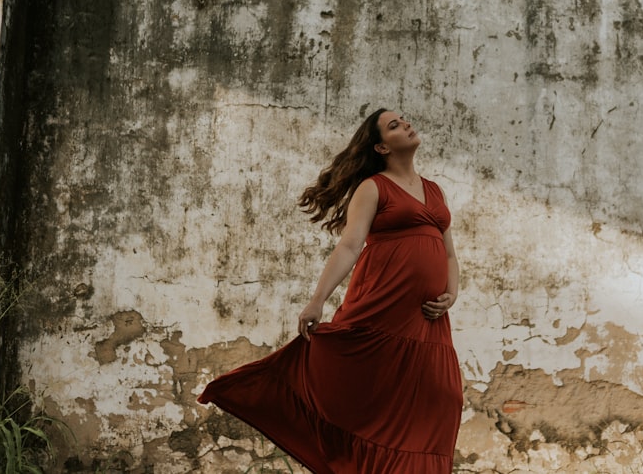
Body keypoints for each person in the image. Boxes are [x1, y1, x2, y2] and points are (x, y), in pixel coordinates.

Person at [198, 108, 463, 473]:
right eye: (394, 125)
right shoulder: (373, 188)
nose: (406, 124)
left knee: (441, 400)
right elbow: (350, 247)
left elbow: (448, 251)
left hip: (428, 322)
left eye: (403, 120)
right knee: (368, 399)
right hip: (381, 311)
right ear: (382, 147)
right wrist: (317, 300)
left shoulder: (435, 190)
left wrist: (453, 292)